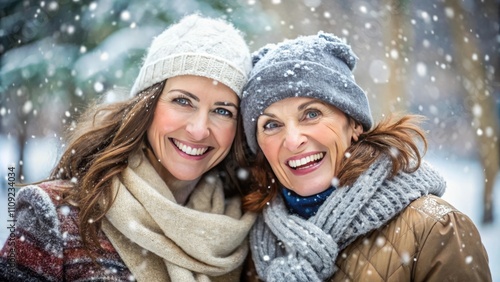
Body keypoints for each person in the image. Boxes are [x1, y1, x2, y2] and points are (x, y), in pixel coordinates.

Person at [0, 14, 257, 281]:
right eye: (183, 101)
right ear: (147, 106)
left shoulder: (244, 232)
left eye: (222, 111)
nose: (199, 129)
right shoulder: (55, 213)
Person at [239, 32, 492, 281]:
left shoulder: (434, 229)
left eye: (312, 114)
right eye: (271, 125)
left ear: (354, 124)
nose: (293, 141)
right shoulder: (252, 243)